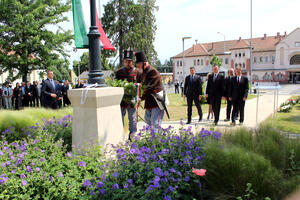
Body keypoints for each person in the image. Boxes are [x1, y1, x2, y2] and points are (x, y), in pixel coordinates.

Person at [135, 51, 165, 130]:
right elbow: (139, 85)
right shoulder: (142, 72)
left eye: (138, 64)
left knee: (155, 123)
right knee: (148, 120)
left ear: (144, 63)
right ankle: (155, 139)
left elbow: (149, 87)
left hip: (157, 102)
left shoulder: (152, 71)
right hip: (149, 102)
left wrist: (140, 98)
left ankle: (157, 141)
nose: (137, 66)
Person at [116, 50, 140, 139]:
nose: (127, 63)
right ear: (123, 62)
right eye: (126, 61)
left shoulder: (137, 72)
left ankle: (132, 135)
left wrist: (139, 98)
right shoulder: (119, 72)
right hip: (122, 99)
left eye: (129, 61)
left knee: (132, 118)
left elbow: (140, 86)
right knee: (120, 117)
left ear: (132, 62)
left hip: (132, 99)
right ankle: (120, 135)